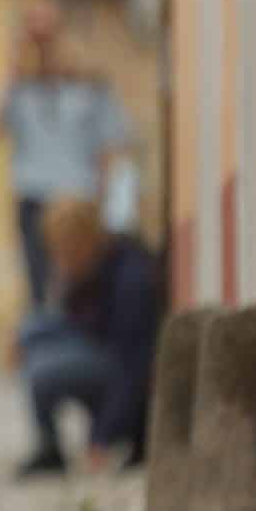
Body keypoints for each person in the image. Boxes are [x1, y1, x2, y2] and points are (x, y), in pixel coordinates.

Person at [0, 0, 131, 312]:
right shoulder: (22, 87)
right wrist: (11, 67)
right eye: (35, 37)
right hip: (32, 195)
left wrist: (109, 209)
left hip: (77, 197)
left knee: (79, 284)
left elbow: (111, 148)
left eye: (49, 36)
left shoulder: (91, 86)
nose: (44, 46)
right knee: (39, 287)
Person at [14, 197, 161, 479]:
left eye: (66, 250)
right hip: (101, 349)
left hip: (122, 375)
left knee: (43, 371)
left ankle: (69, 444)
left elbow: (132, 367)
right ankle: (49, 446)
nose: (61, 260)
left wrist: (101, 438)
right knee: (31, 334)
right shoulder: (86, 275)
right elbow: (71, 321)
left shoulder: (130, 279)